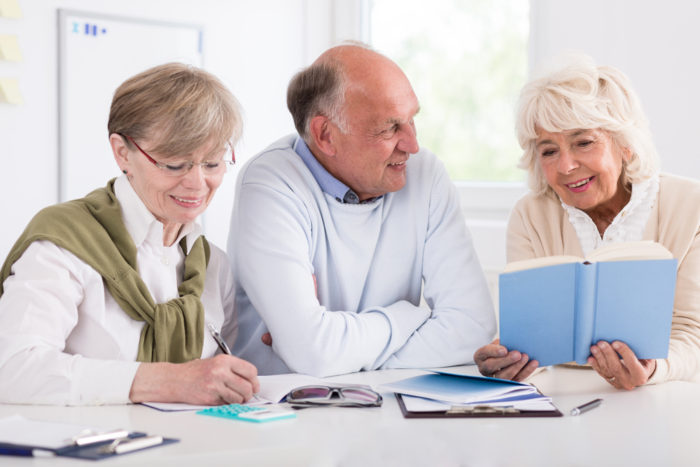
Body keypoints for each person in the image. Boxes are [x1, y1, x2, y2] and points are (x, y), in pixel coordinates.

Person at [228, 43, 496, 377]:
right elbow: (313, 353)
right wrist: (408, 315)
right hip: (285, 410)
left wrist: (336, 352)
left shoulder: (424, 174)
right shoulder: (270, 183)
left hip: (388, 406)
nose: (411, 145)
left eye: (413, 120)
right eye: (389, 128)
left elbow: (473, 329)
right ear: (325, 135)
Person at [0, 63, 259, 405]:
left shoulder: (213, 265)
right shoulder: (64, 244)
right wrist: (167, 381)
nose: (197, 183)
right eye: (174, 164)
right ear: (123, 152)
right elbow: (13, 369)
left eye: (212, 163)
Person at [474, 55, 700, 390]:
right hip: (562, 397)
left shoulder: (690, 206)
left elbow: (691, 332)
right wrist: (510, 357)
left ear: (625, 144)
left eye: (583, 142)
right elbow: (532, 332)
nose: (566, 166)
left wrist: (652, 369)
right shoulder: (530, 216)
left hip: (661, 398)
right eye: (549, 151)